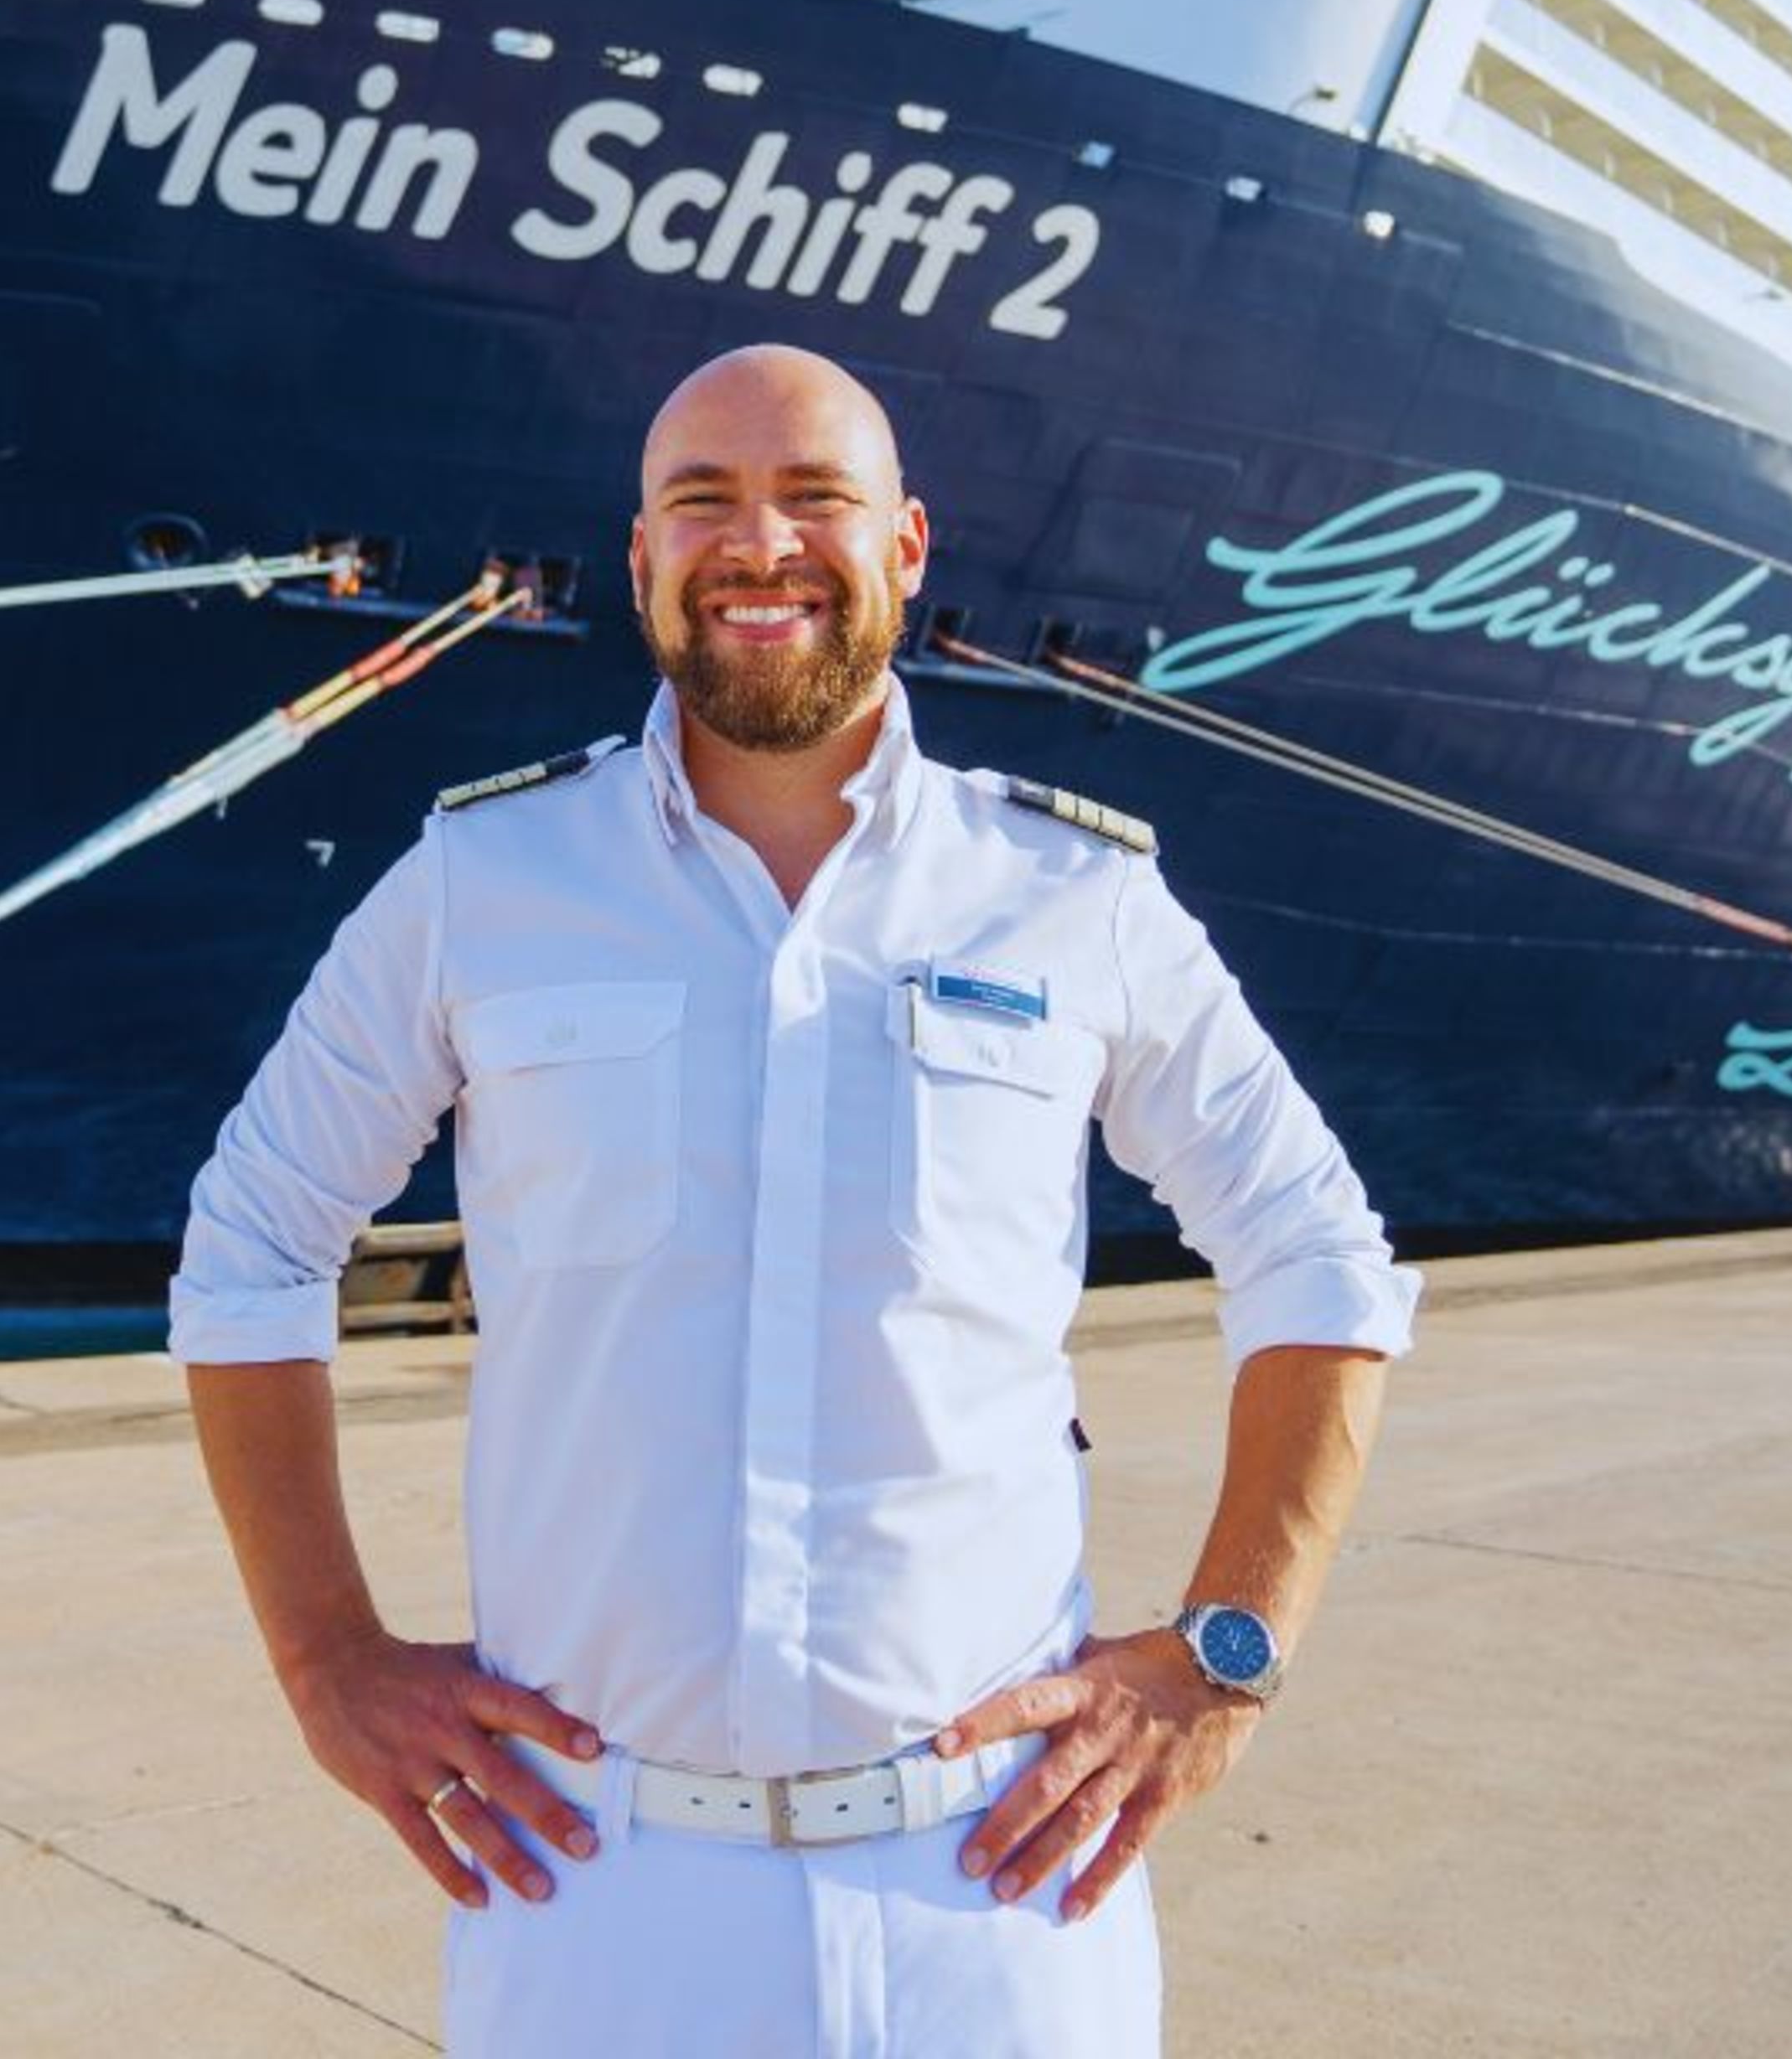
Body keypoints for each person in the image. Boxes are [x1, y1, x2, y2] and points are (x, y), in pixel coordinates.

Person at [171, 343, 1419, 2055]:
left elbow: (1319, 1256)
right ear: (641, 563)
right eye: (705, 504)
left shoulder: (1070, 896)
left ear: (906, 548)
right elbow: (251, 1239)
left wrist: (1225, 1655)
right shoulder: (484, 882)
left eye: (813, 499)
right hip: (594, 1892)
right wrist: (328, 1659)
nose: (760, 546)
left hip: (998, 1887)